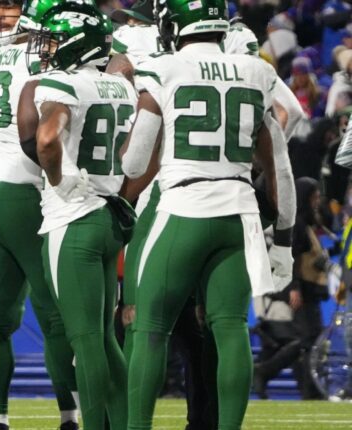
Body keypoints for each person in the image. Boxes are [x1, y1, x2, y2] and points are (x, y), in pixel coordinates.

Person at [121, 0, 291, 427]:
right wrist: (283, 234)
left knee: (150, 328)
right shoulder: (257, 70)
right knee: (230, 327)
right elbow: (276, 159)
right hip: (238, 211)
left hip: (182, 207)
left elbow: (135, 163)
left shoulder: (164, 68)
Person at [0, 0, 79, 429]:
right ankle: (74, 417)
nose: (1, 16)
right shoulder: (48, 52)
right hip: (30, 195)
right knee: (57, 316)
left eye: (10, 7)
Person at [26, 2, 133, 428]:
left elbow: (46, 139)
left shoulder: (62, 83)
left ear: (76, 43)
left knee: (85, 342)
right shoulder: (121, 86)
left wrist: (58, 179)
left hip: (73, 219)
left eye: (54, 41)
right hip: (108, 215)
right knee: (105, 340)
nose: (46, 49)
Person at [290, 177, 331, 399]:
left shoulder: (306, 224)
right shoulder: (297, 224)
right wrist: (294, 288)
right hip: (303, 290)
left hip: (310, 290)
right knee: (309, 341)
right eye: (314, 197)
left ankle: (313, 389)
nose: (317, 202)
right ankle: (310, 390)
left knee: (313, 340)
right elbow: (292, 258)